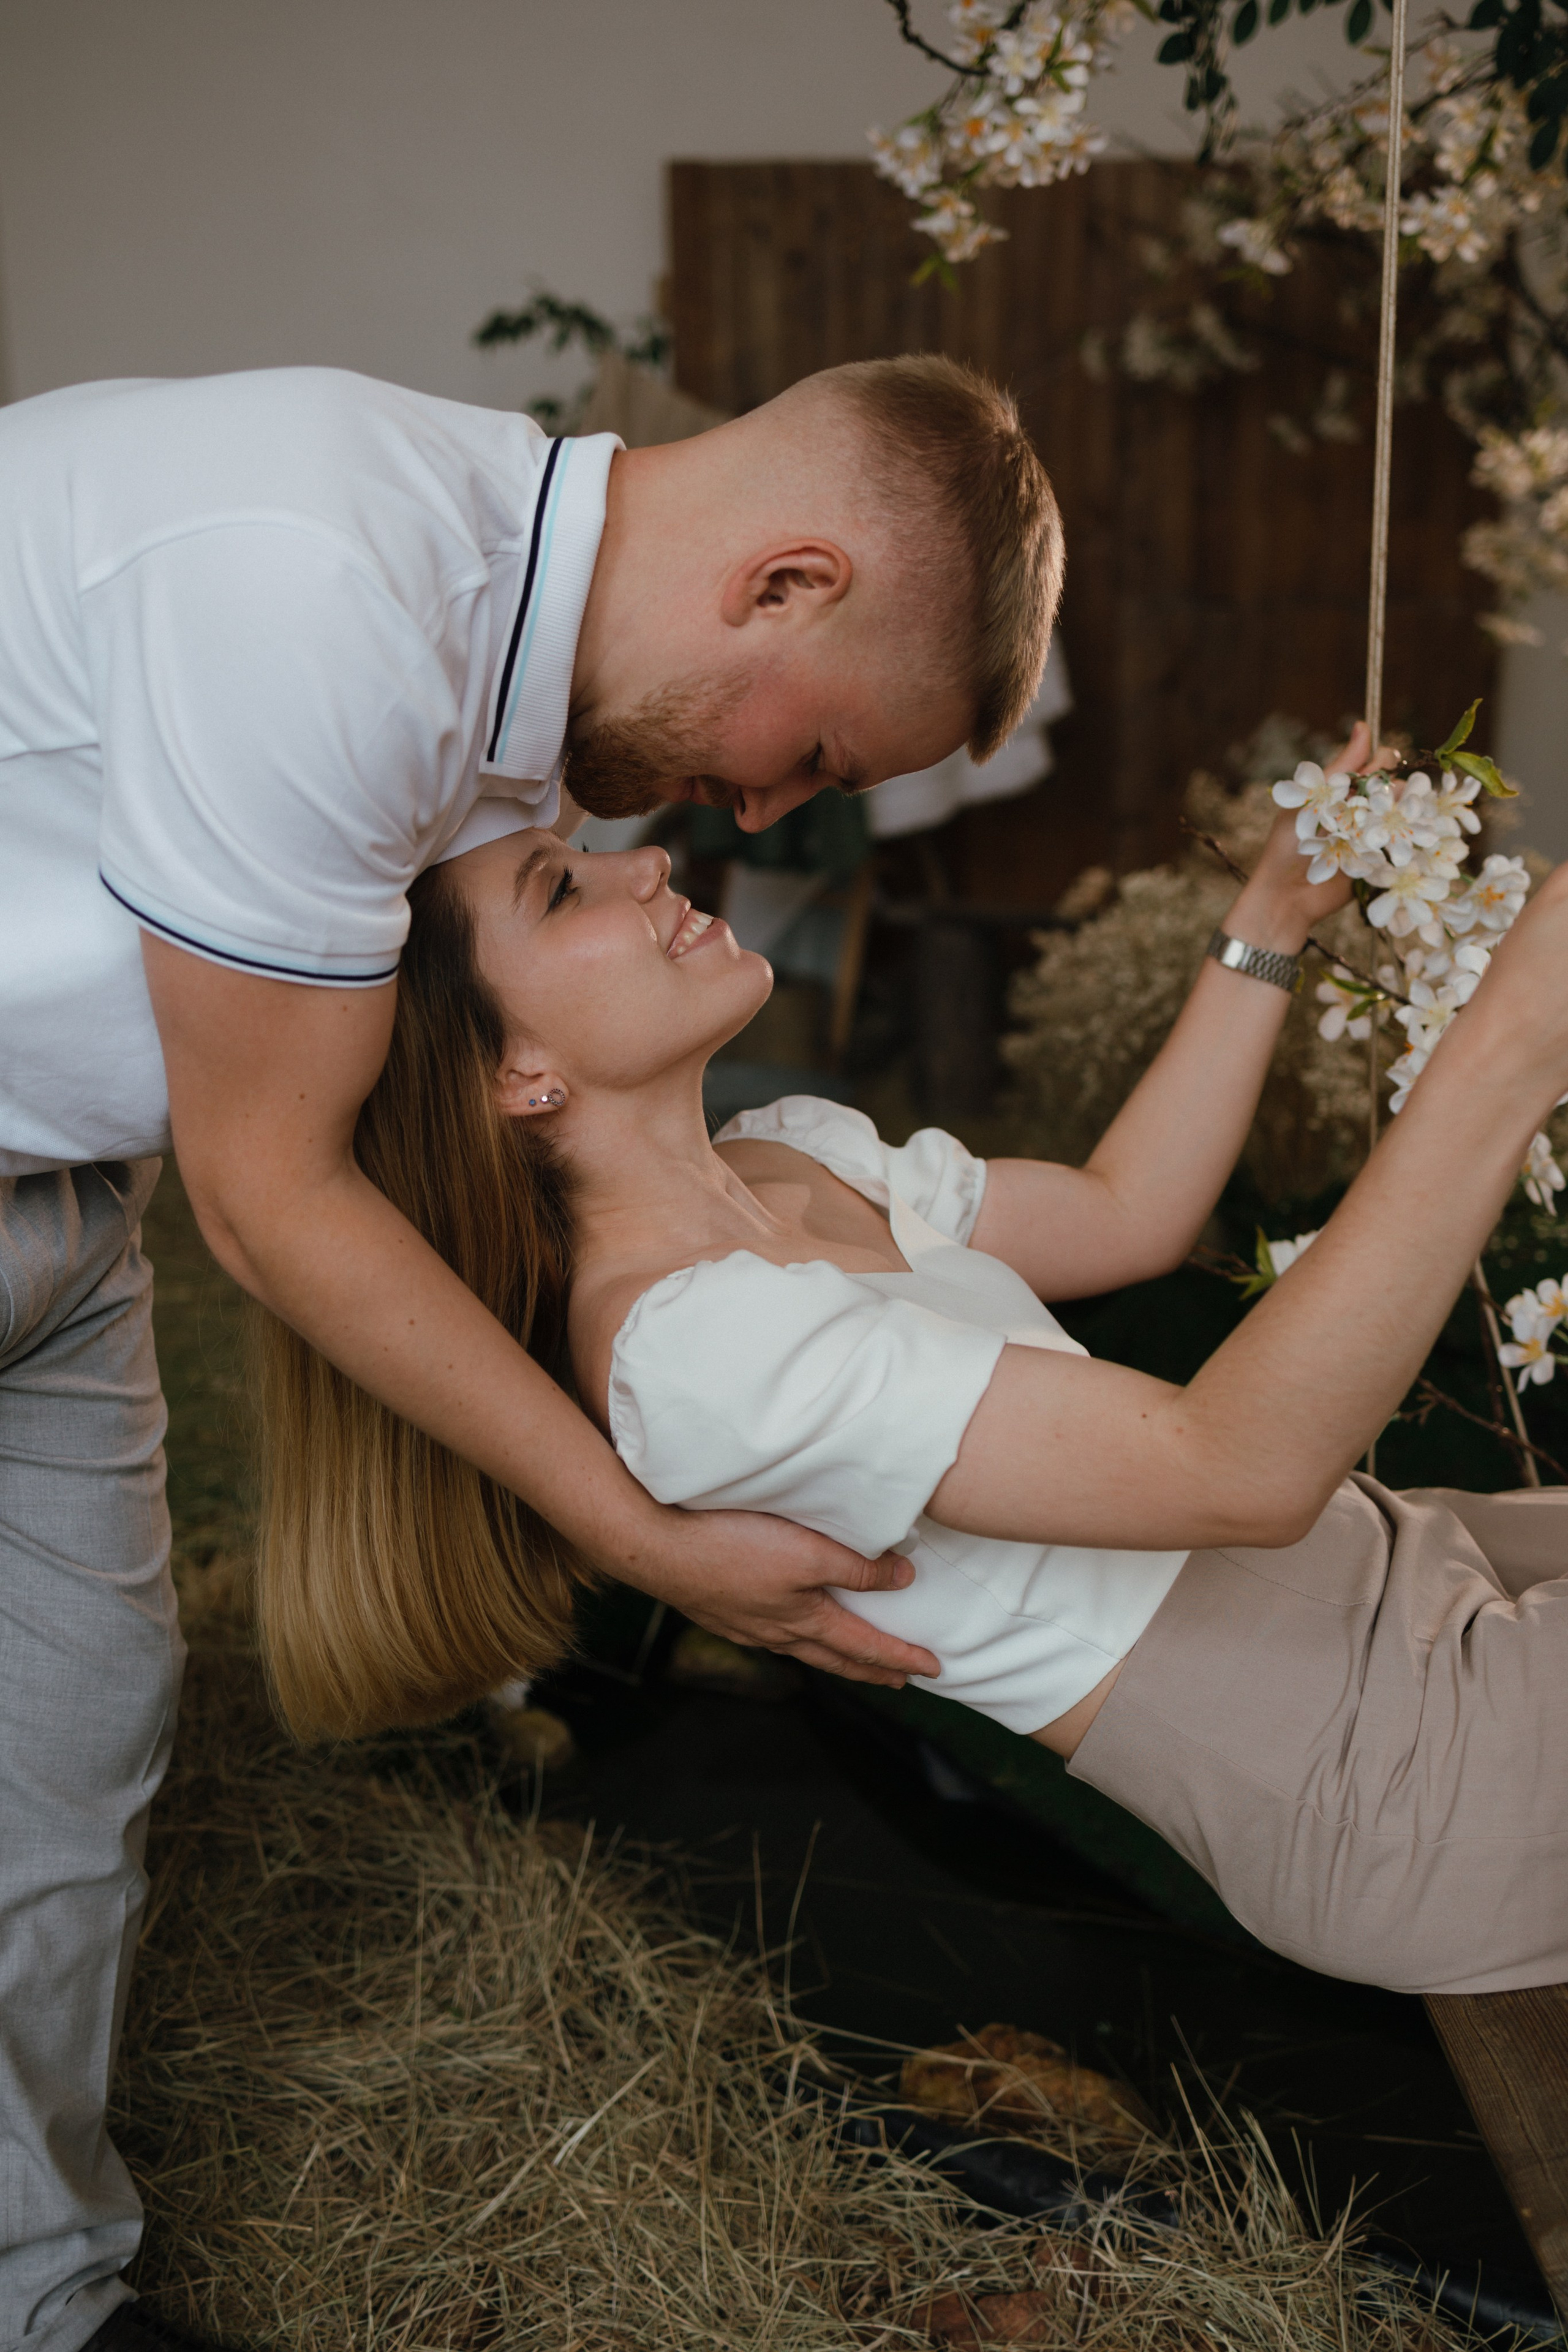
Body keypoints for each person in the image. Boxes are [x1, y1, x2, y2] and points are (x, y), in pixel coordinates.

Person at [0, 355, 1059, 2352]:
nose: (765, 812)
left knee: (70, 1746)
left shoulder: (515, 700)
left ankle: (38, 2309)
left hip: (54, 1201)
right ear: (785, 583)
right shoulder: (326, 578)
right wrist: (634, 1533)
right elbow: (275, 1198)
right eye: (820, 752)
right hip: (136, 1182)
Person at [258, 739, 1568, 1996]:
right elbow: (1237, 1470)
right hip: (1384, 1769)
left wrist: (1266, 918)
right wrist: (1500, 1054)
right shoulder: (694, 1354)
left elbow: (1126, 1209)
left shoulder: (787, 1156)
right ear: (518, 1077)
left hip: (1409, 1568)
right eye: (564, 890)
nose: (646, 866)